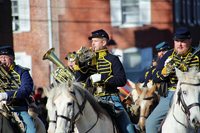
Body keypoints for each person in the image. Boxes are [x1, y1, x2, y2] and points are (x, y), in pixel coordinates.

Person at [75, 29, 135, 133]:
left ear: (104, 43)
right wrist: (80, 64)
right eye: (92, 41)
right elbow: (79, 80)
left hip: (111, 98)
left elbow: (121, 80)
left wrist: (102, 78)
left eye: (95, 41)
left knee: (128, 128)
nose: (92, 43)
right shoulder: (88, 60)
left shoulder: (113, 59)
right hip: (93, 98)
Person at [145, 27, 200, 132]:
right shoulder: (168, 56)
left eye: (183, 42)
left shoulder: (197, 55)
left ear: (190, 41)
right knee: (150, 123)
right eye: (177, 41)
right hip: (172, 94)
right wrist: (165, 71)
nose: (179, 44)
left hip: (196, 93)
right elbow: (155, 78)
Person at [0, 46, 37, 133]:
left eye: (6, 57)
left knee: (31, 131)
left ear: (13, 58)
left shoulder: (22, 72)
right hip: (1, 108)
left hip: (18, 108)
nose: (3, 60)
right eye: (1, 57)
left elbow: (26, 89)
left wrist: (6, 95)